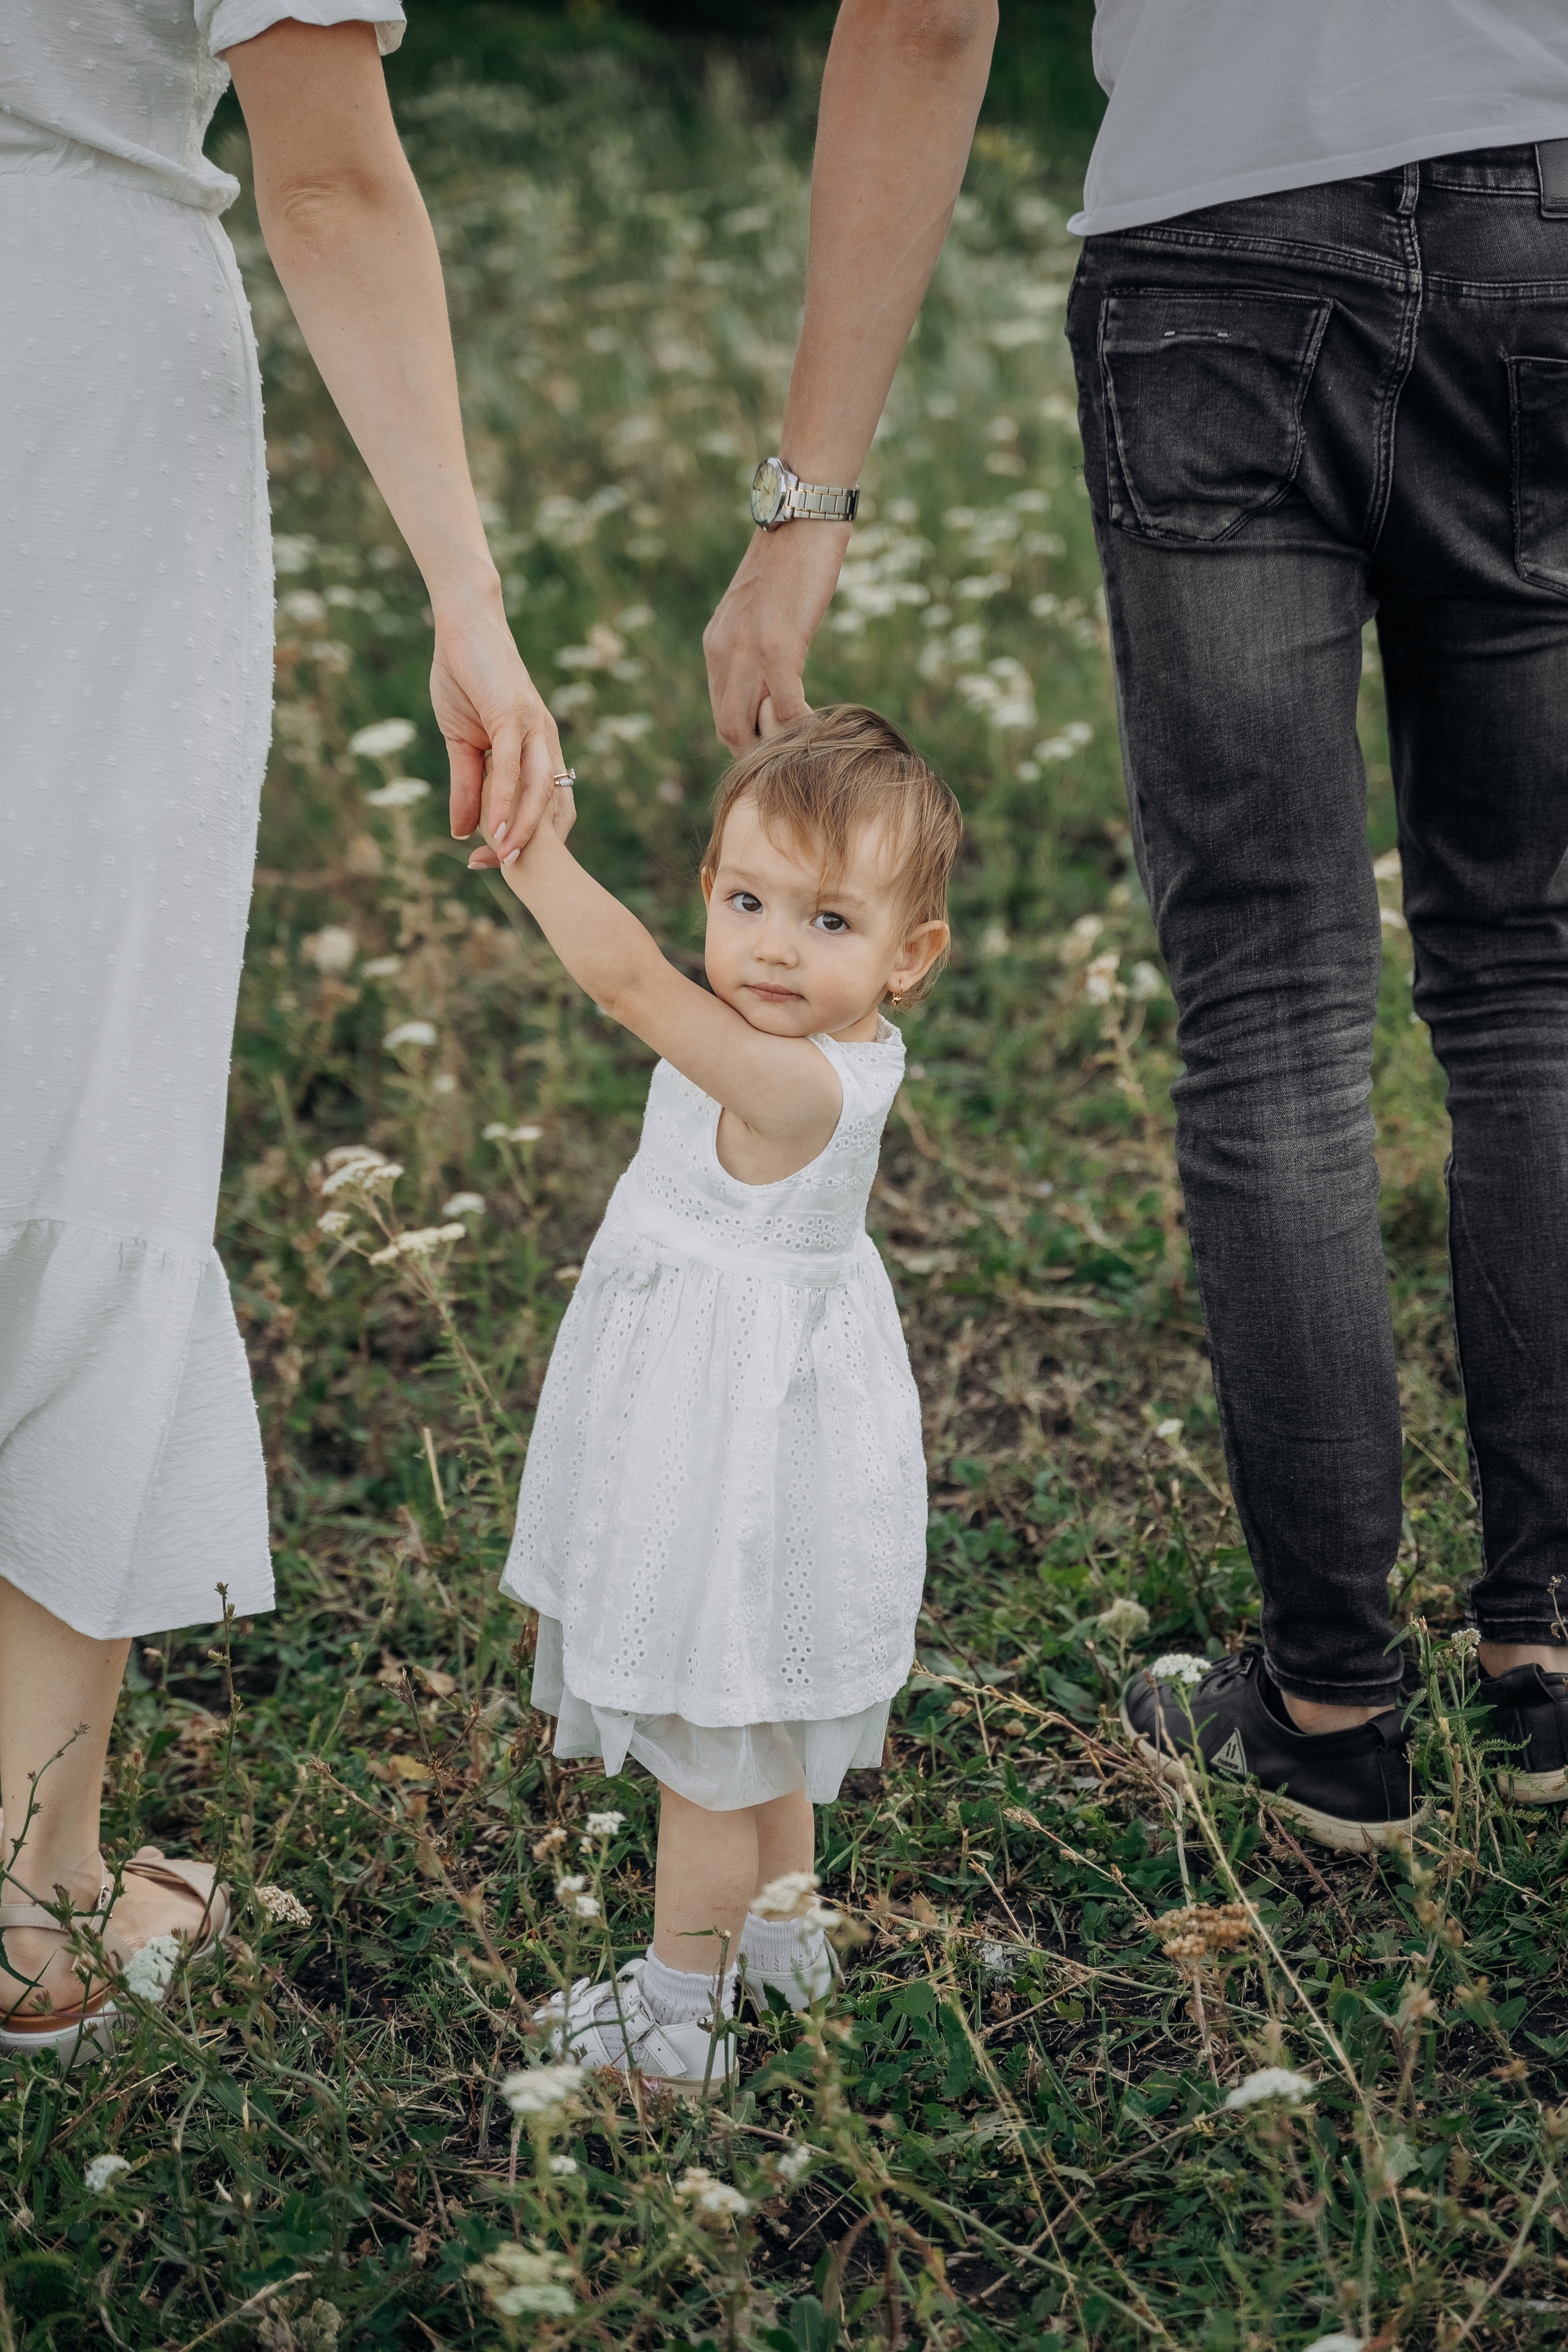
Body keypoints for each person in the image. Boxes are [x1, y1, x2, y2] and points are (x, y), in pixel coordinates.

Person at [701, 0, 1568, 1849]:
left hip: (1224, 256)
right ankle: (1548, 1657)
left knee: (1272, 1008)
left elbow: (926, 17)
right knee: (1533, 985)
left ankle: (1336, 1712)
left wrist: (809, 507)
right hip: (1543, 216)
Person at [0, 2, 564, 2060]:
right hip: (74, 378)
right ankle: (30, 1914)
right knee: (78, 1103)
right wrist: (468, 602)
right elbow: (326, 171)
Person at [475, 706, 958, 2091]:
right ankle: (782, 1945)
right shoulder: (793, 1040)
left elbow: (629, 984)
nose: (768, 948)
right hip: (738, 1423)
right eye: (745, 901)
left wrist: (533, 849)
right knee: (759, 1714)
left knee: (707, 1732)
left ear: (907, 958)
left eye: (825, 921)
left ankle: (681, 2015)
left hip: (734, 1448)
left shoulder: (798, 1087)